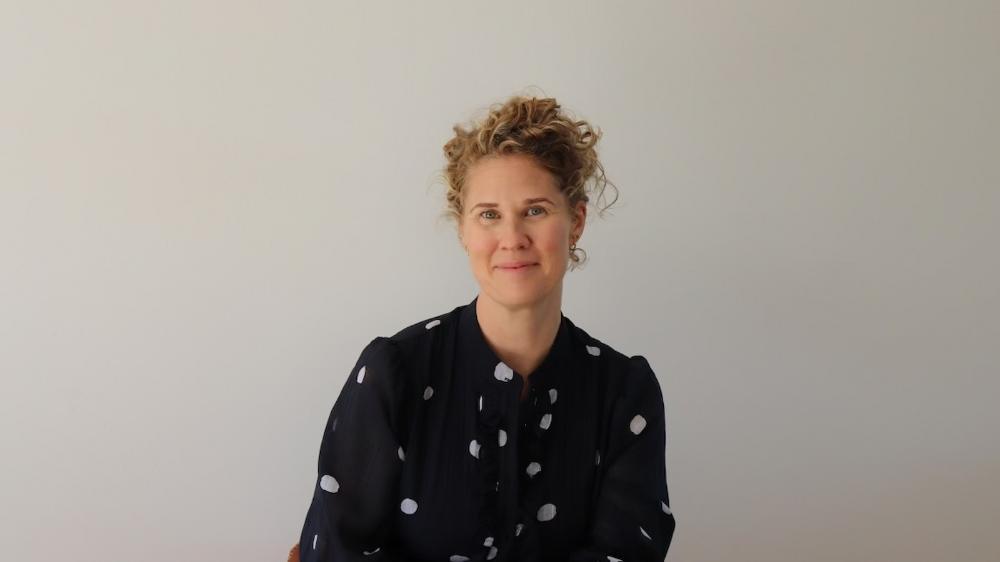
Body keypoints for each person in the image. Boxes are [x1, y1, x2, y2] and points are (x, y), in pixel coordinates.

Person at [295, 95, 676, 561]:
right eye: (489, 214)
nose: (512, 238)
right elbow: (337, 550)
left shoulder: (623, 392)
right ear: (463, 230)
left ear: (575, 222)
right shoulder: (394, 373)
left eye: (535, 210)